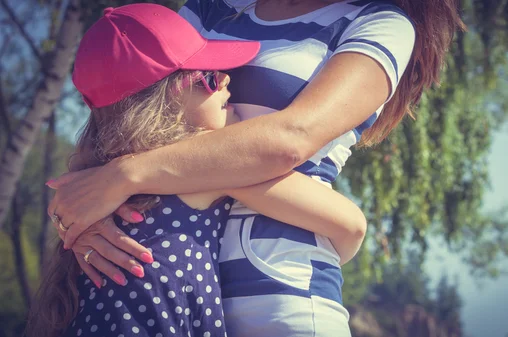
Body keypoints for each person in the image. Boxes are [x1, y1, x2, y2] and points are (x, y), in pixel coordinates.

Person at [46, 0, 465, 336]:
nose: (220, 81)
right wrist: (82, 220)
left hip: (283, 295)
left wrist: (124, 174)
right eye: (209, 78)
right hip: (162, 288)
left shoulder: (378, 22)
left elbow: (290, 139)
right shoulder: (212, 7)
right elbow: (134, 105)